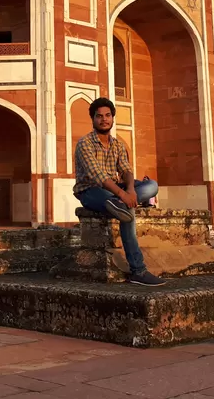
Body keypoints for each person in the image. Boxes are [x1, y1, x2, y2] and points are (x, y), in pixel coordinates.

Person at [72, 98, 164, 287]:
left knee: (152, 185)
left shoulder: (118, 145)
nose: (104, 120)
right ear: (93, 119)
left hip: (116, 189)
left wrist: (130, 191)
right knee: (126, 211)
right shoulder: (85, 144)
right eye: (99, 116)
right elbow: (98, 177)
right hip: (91, 192)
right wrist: (123, 196)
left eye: (107, 116)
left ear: (113, 118)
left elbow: (126, 170)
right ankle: (138, 271)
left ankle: (119, 203)